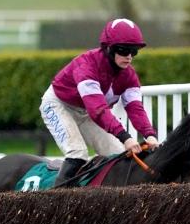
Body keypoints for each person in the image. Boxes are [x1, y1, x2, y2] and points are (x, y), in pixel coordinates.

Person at [40, 18, 160, 186]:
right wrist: (125, 137)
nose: (129, 56)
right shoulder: (87, 66)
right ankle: (56, 198)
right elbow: (98, 110)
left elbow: (135, 108)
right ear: (108, 48)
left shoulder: (129, 76)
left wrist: (150, 135)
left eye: (134, 51)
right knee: (77, 153)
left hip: (87, 112)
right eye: (123, 50)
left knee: (118, 155)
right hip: (59, 105)